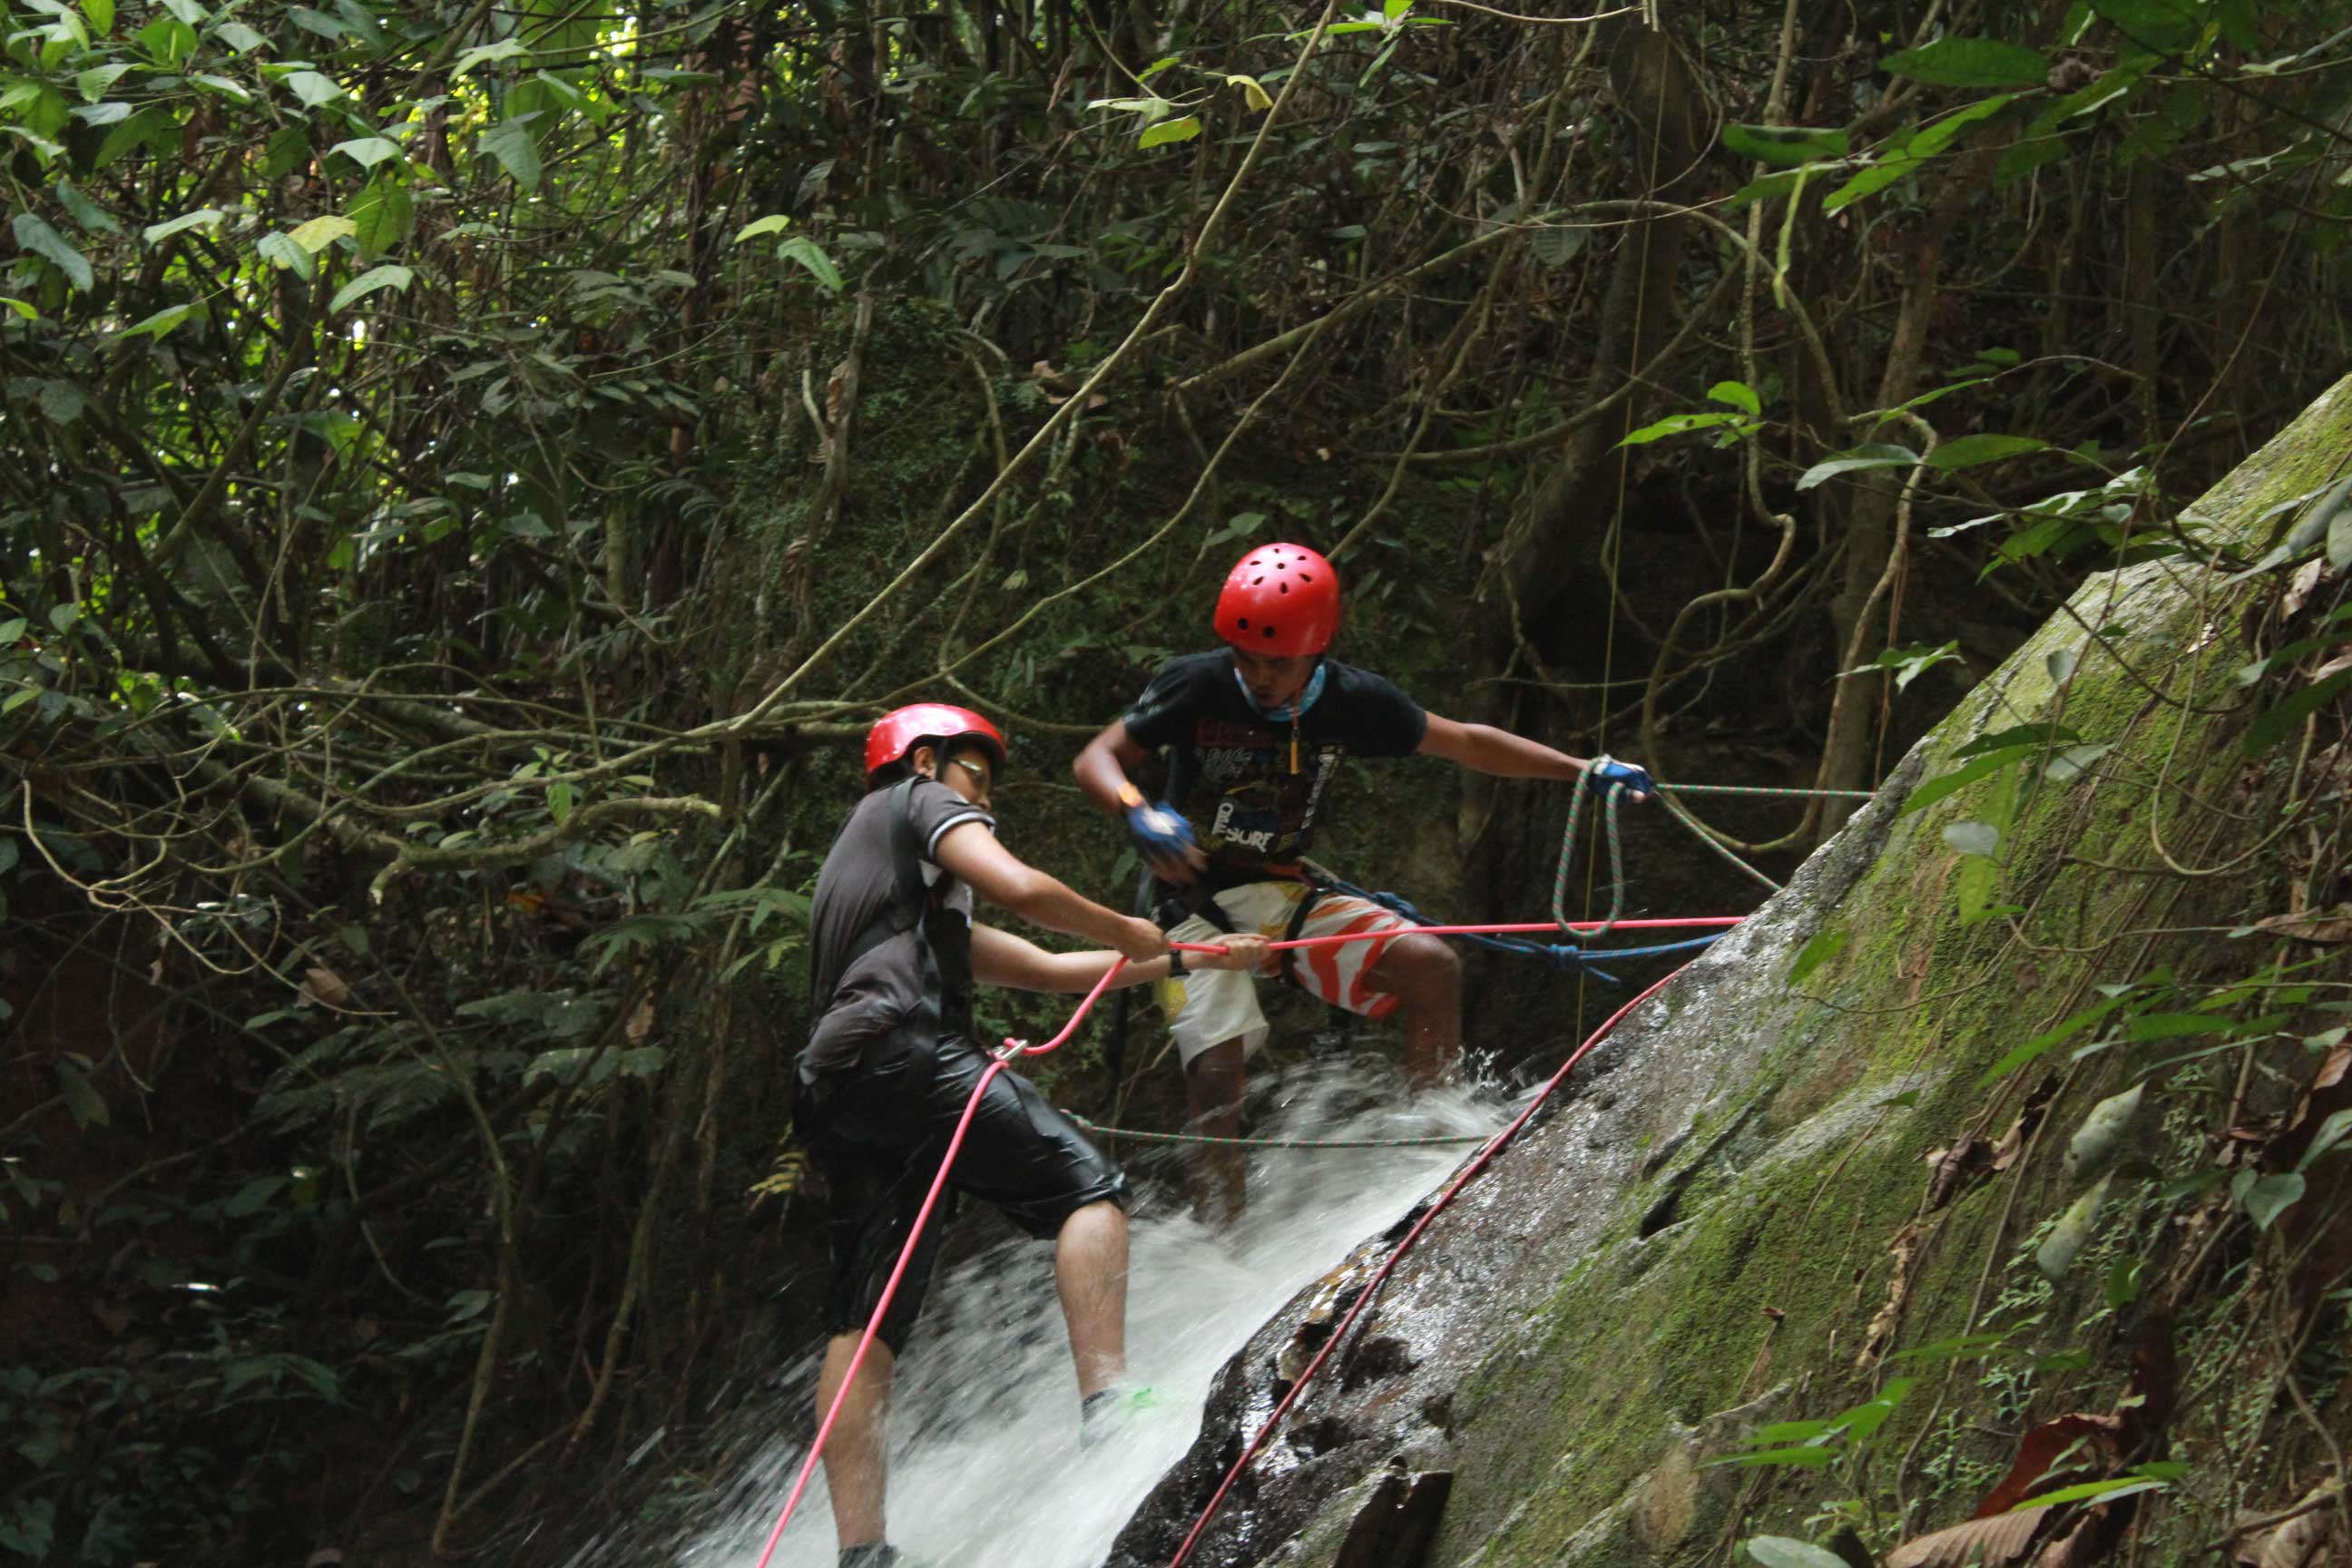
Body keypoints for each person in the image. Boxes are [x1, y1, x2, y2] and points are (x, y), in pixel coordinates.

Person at [797, 702, 1266, 1568]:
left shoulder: (893, 898)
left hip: (840, 1088)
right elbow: (1019, 886)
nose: (984, 802)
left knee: (864, 1317)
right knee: (1088, 1191)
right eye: (976, 778)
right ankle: (1109, 1407)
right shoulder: (916, 798)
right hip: (909, 1052)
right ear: (926, 761)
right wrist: (1122, 926)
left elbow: (1050, 971)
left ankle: (862, 1553)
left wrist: (1188, 957)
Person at [1073, 544, 1652, 1223]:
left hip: (1281, 892)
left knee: (1431, 965)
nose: (1258, 676)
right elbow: (1099, 757)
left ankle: (1433, 1159)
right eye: (1246, 658)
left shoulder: (1353, 701)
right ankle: (1221, 1234)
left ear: (1316, 651)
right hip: (1189, 903)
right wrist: (1136, 810)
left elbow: (1465, 741)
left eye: (1277, 663)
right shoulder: (1196, 685)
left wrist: (1580, 770)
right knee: (1215, 1069)